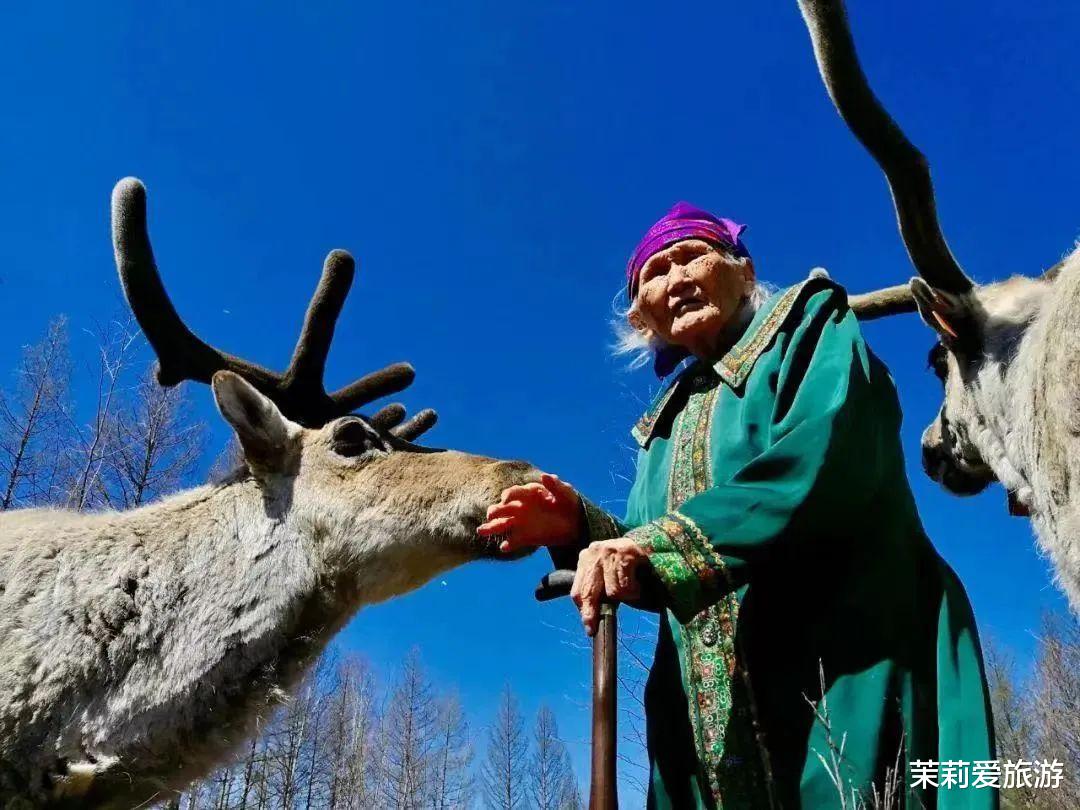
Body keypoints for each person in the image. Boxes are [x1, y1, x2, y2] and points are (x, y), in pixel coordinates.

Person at [478, 203, 997, 809]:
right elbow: (654, 551)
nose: (676, 278)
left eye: (692, 256)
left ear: (744, 271)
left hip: (848, 664)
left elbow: (826, 453)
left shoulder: (808, 325)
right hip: (705, 724)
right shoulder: (663, 425)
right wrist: (580, 530)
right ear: (642, 317)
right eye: (656, 273)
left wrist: (647, 545)